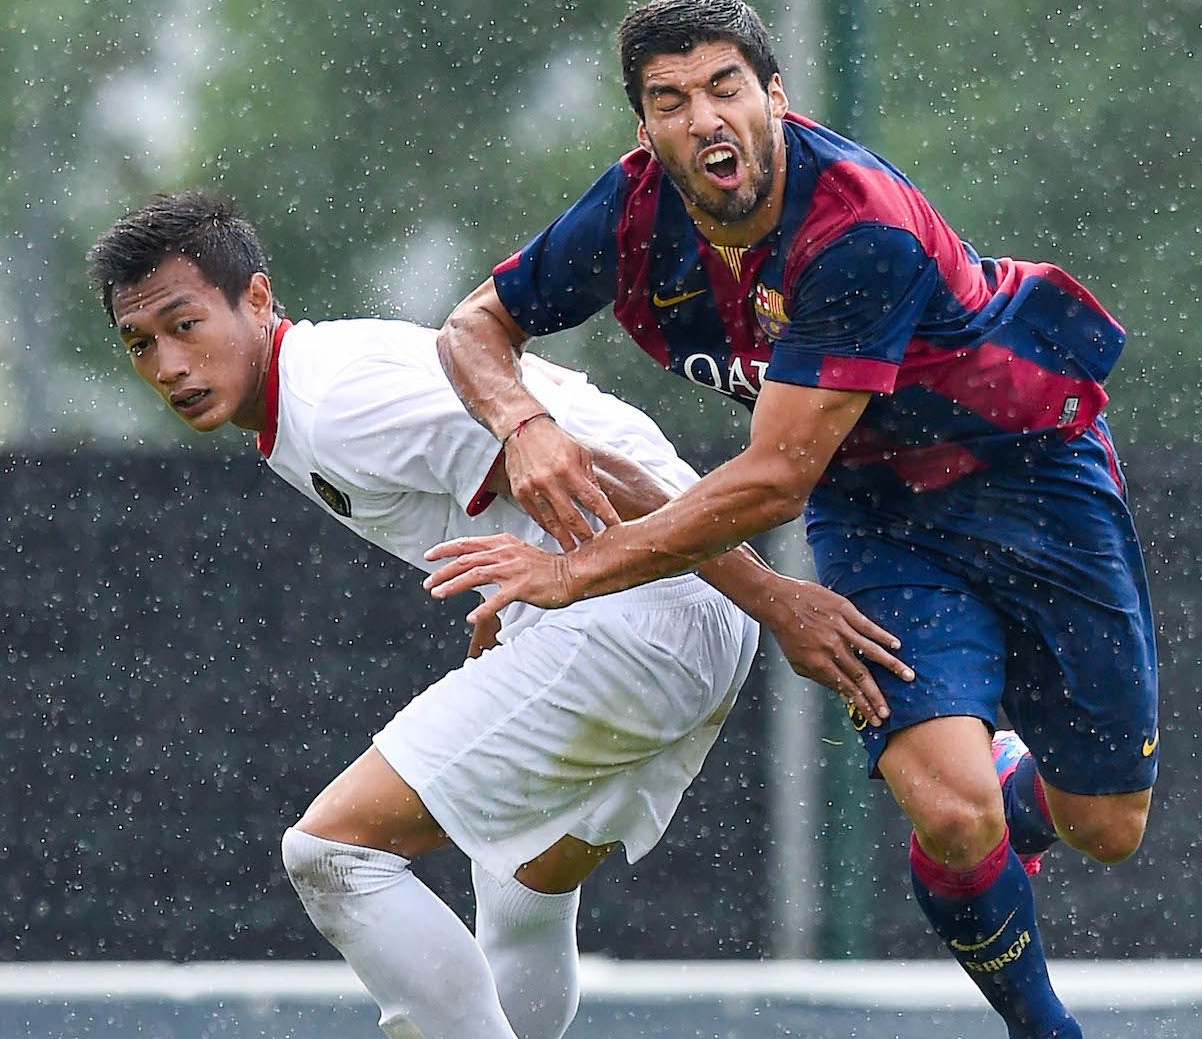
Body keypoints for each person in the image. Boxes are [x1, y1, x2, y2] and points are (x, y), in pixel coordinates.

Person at [424, 0, 1158, 1039]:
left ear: (776, 95)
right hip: (880, 512)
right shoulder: (632, 212)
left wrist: (577, 568)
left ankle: (1019, 785)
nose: (703, 120)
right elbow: (473, 327)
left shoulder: (857, 226)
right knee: (951, 815)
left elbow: (771, 482)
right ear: (645, 127)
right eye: (671, 101)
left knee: (1109, 828)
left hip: (1032, 473)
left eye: (726, 89)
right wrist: (520, 425)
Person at [87, 189, 910, 1039]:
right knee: (521, 879)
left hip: (645, 613)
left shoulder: (333, 403)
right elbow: (546, 471)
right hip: (669, 612)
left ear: (257, 299)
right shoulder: (310, 392)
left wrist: (782, 605)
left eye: (185, 325)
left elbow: (586, 468)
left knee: (332, 854)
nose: (168, 365)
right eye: (140, 343)